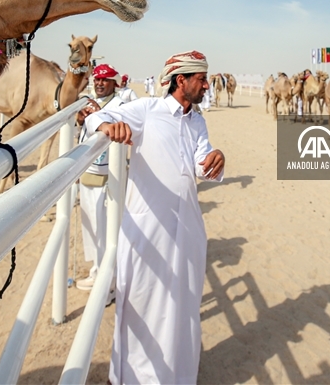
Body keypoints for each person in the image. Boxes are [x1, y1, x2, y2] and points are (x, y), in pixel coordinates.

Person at [84, 51, 225, 385]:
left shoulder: (198, 120)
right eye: (201, 79)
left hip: (188, 229)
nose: (206, 85)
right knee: (141, 304)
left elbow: (200, 163)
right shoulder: (148, 110)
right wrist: (108, 125)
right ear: (181, 80)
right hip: (147, 229)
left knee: (183, 308)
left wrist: (214, 159)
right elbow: (94, 118)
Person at [74, 63, 128, 294]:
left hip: (108, 178)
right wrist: (80, 118)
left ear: (115, 83)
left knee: (106, 232)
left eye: (105, 80)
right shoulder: (88, 102)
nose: (99, 83)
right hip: (88, 174)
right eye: (97, 79)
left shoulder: (122, 106)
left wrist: (97, 115)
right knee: (92, 229)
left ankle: (108, 284)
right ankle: (98, 273)